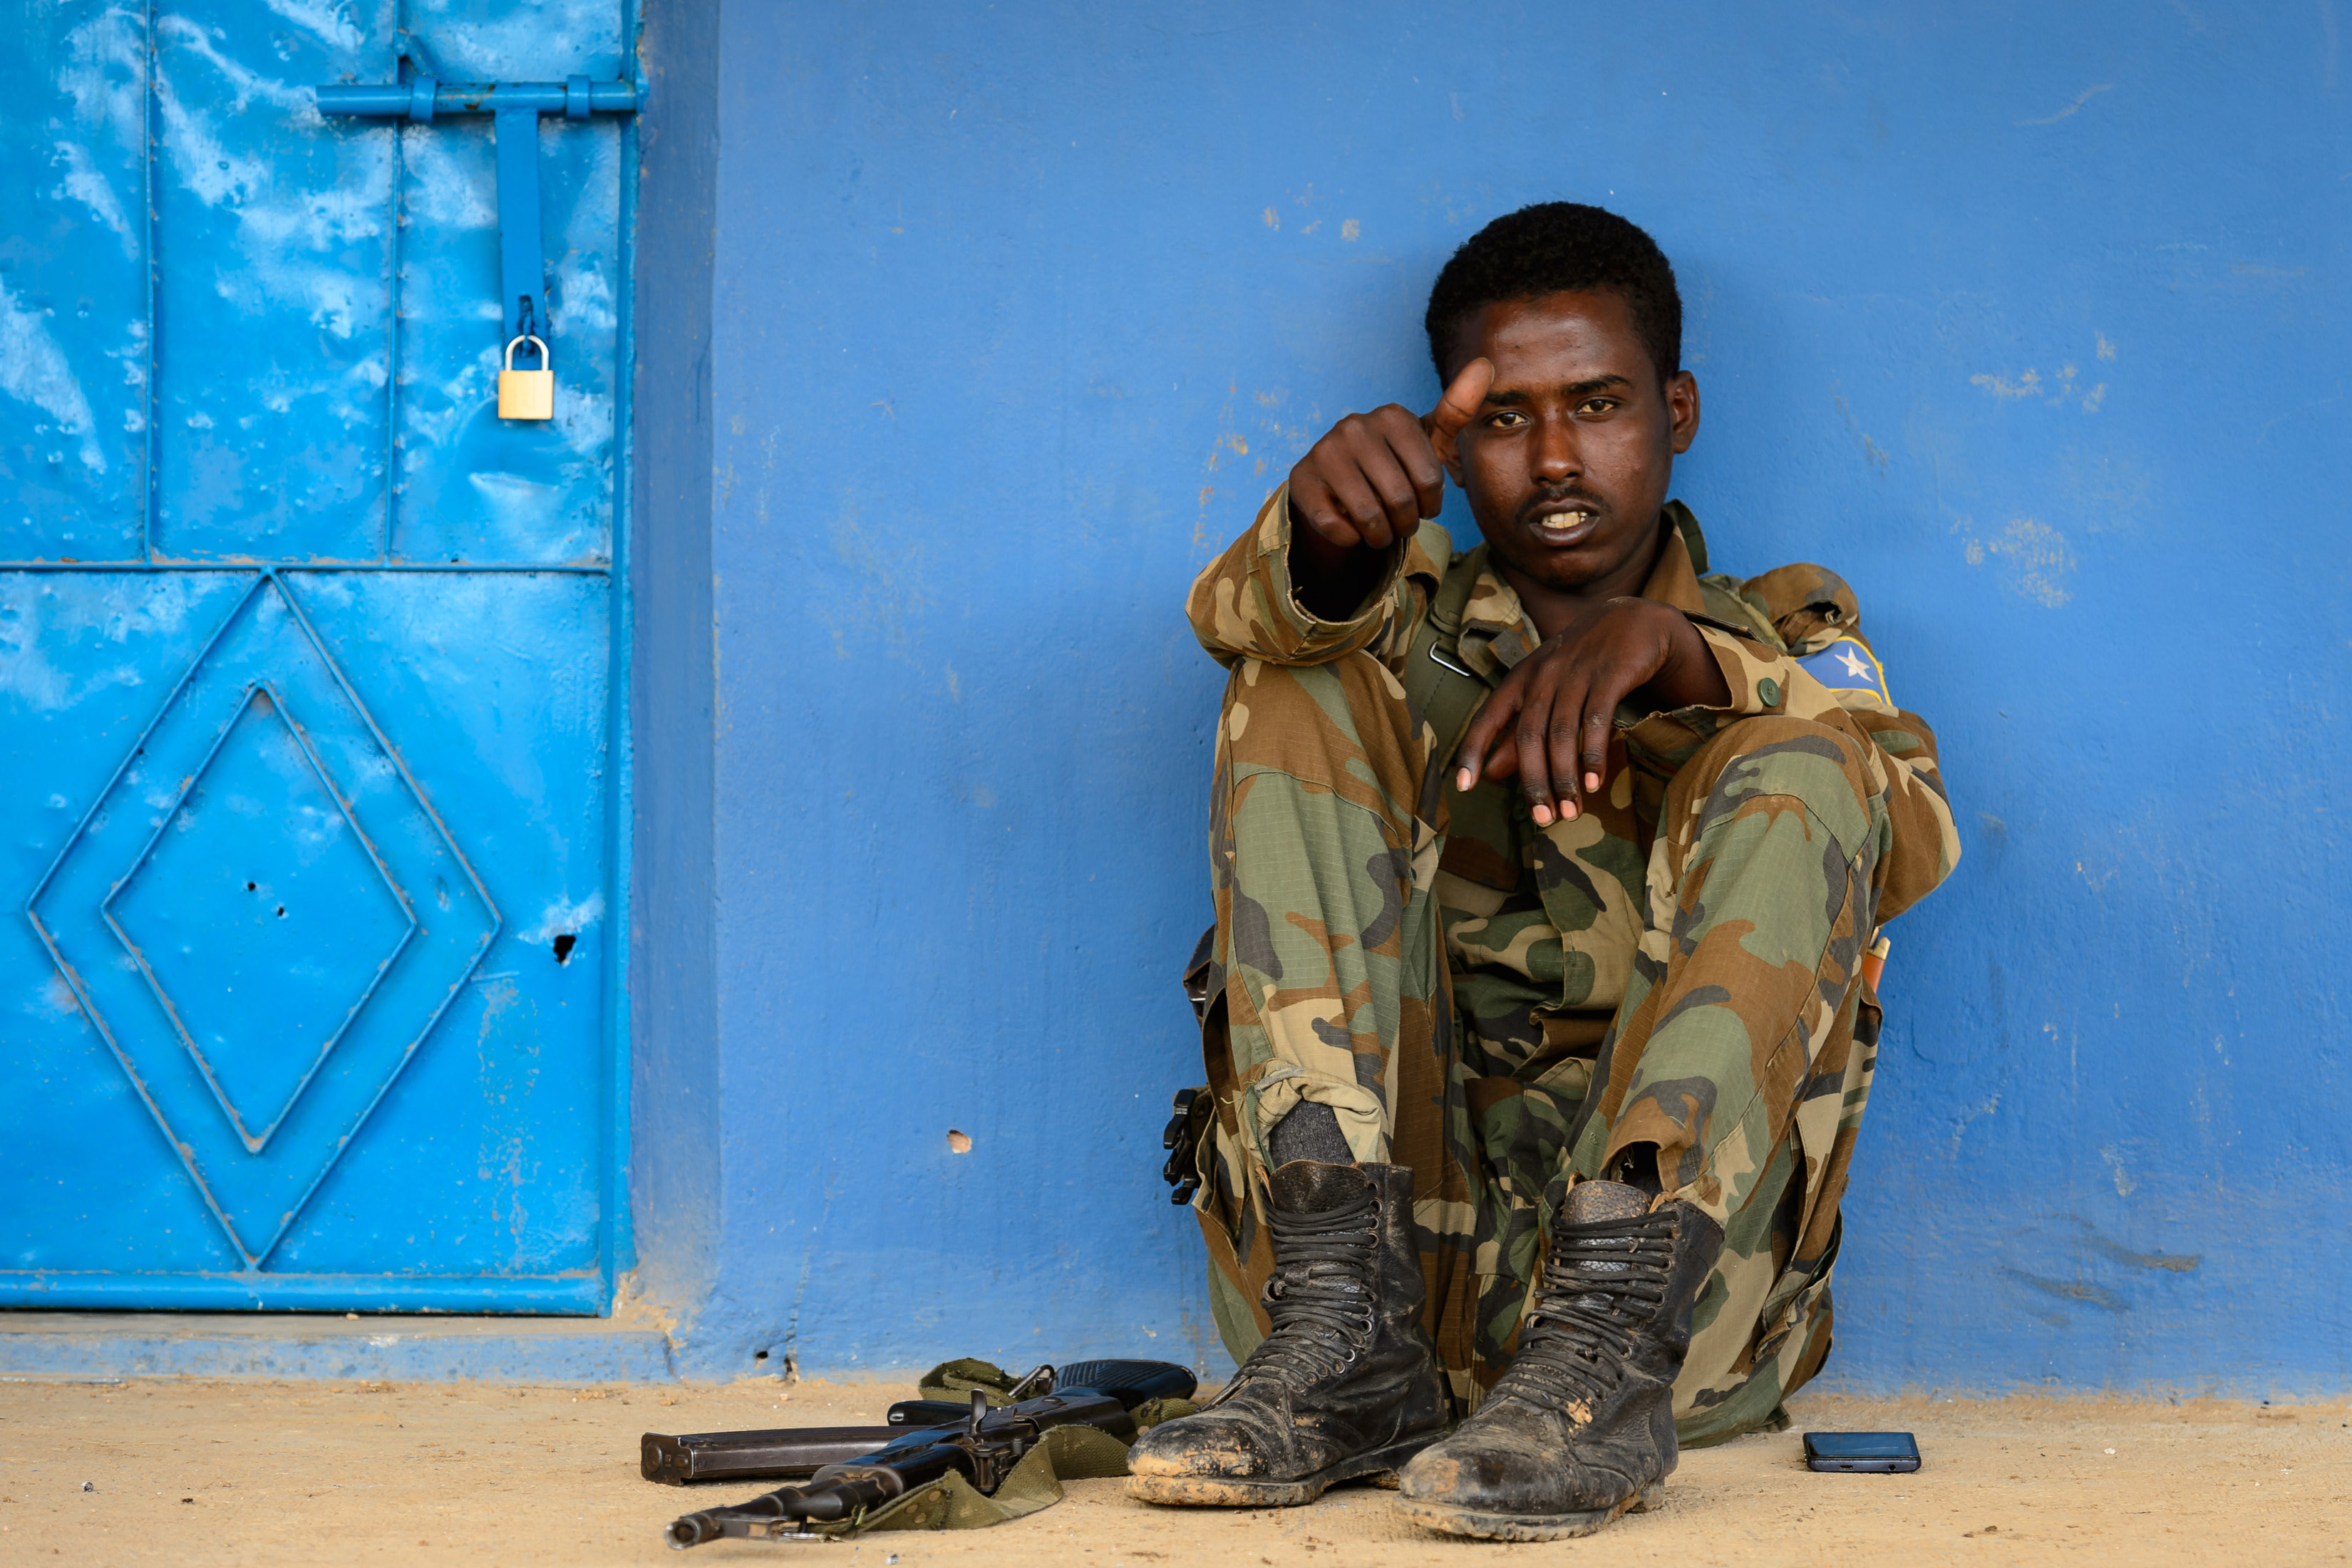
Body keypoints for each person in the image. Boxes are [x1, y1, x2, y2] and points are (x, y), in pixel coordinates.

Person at [1127, 202, 1959, 1541]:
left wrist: (1683, 660)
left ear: (1677, 411)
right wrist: (1327, 542)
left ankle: (1594, 1366)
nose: (1557, 456)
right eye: (1506, 418)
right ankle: (1344, 1339)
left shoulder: (1784, 639)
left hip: (1675, 1326)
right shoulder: (1394, 617)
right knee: (1291, 681)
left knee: (1808, 767)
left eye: (1600, 403)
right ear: (1453, 448)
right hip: (1371, 1283)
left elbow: (1911, 829)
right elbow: (1243, 619)